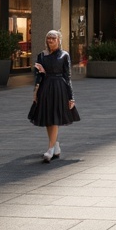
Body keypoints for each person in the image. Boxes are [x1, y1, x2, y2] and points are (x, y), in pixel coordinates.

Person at [31, 29, 79, 162]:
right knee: (47, 118)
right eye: (48, 38)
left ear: (59, 40)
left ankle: (50, 149)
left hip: (59, 88)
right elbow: (38, 76)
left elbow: (67, 77)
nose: (50, 40)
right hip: (45, 87)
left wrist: (71, 97)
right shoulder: (42, 55)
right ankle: (55, 146)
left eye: (53, 38)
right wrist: (36, 92)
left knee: (55, 118)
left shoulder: (64, 55)